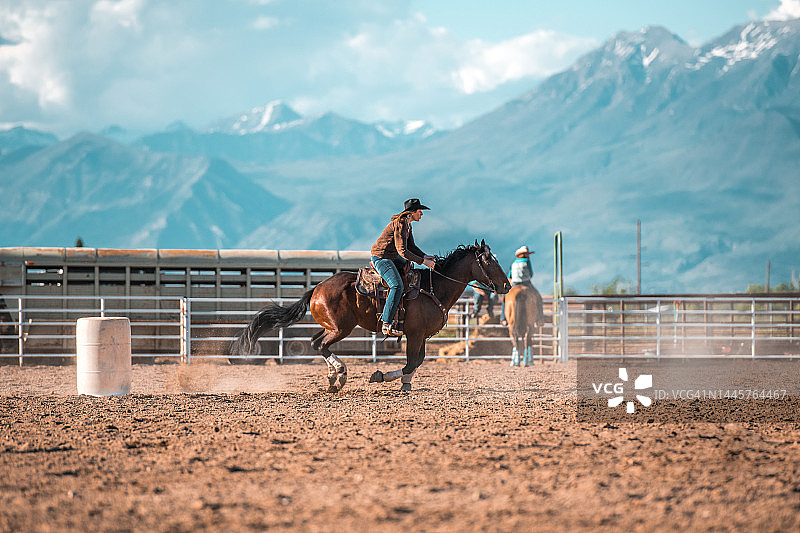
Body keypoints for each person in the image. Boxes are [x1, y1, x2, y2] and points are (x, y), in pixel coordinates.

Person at [370, 198, 437, 337]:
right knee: (396, 286)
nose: (421, 214)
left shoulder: (407, 225)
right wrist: (423, 262)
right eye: (419, 211)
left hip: (391, 257)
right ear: (412, 212)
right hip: (381, 258)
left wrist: (425, 256)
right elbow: (403, 251)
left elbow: (411, 246)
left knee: (410, 271)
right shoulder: (400, 225)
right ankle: (386, 322)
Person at [501, 245, 534, 324]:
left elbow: (509, 276)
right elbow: (531, 274)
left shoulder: (513, 263)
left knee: (505, 298)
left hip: (515, 283)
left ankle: (503, 318)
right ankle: (540, 318)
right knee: (537, 296)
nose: (528, 255)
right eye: (527, 254)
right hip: (526, 283)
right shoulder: (527, 261)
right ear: (524, 254)